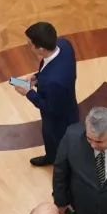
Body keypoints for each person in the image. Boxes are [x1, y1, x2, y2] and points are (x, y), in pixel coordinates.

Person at [18, 21, 79, 166]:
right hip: (66, 103)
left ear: (41, 49)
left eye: (29, 44)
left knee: (60, 142)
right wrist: (37, 77)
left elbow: (50, 107)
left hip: (59, 119)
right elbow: (52, 70)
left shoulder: (54, 81)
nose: (27, 46)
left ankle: (64, 168)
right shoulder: (64, 45)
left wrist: (28, 93)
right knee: (48, 136)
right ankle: (51, 156)